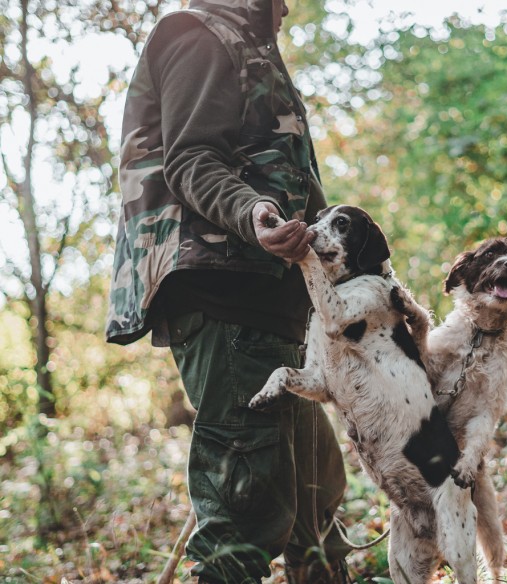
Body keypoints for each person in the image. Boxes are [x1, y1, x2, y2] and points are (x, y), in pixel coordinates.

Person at [106, 0, 351, 582]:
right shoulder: (197, 34)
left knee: (315, 507)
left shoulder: (252, 49)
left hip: (273, 312)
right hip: (229, 301)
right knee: (246, 519)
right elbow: (190, 157)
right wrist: (254, 213)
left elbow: (296, 185)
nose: (288, 6)